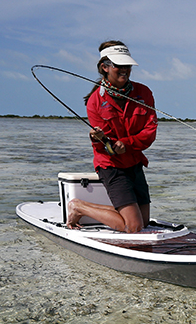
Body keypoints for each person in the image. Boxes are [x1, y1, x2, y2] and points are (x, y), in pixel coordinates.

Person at [66, 40, 158, 232]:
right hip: (111, 166)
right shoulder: (94, 102)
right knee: (133, 226)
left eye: (127, 65)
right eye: (119, 65)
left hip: (134, 161)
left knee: (144, 222)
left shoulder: (144, 93)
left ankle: (82, 207)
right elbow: (102, 148)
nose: (124, 70)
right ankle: (79, 206)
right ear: (105, 67)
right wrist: (97, 138)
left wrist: (127, 143)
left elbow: (150, 132)